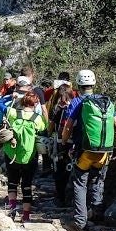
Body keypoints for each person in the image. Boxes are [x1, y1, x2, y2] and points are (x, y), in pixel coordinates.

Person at [59, 69, 116, 230]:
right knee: (97, 180)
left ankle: (80, 221)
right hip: (104, 151)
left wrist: (64, 144)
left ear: (78, 84)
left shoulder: (77, 102)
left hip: (84, 151)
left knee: (80, 183)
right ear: (94, 83)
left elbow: (68, 127)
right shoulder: (107, 102)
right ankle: (97, 215)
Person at [0, 90, 48, 222]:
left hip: (12, 154)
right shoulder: (37, 119)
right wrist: (44, 110)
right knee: (27, 185)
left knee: (12, 182)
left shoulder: (14, 113)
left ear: (23, 101)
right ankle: (25, 216)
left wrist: (11, 96)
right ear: (35, 103)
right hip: (29, 156)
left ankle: (12, 209)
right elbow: (45, 128)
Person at [47, 76, 76, 208]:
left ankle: (60, 198)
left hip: (60, 143)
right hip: (75, 144)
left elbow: (51, 126)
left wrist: (48, 134)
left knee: (59, 171)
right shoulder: (78, 107)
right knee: (72, 171)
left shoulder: (60, 109)